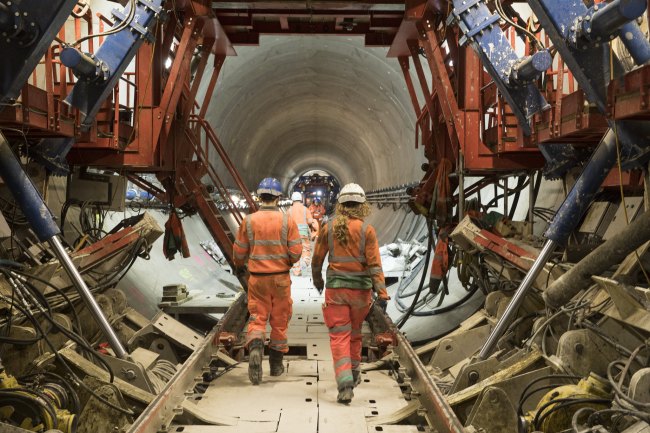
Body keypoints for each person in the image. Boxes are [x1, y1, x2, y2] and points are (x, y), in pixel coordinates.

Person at [311, 183, 390, 404]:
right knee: (355, 333)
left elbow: (317, 260)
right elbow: (375, 265)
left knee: (339, 336)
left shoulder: (329, 227)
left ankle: (344, 382)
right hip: (360, 294)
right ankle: (354, 373)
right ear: (361, 206)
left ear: (341, 205)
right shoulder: (367, 231)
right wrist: (382, 292)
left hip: (336, 291)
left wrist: (318, 281)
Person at [233, 177, 303, 385]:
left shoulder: (248, 221)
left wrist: (240, 264)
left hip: (257, 279)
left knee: (257, 317)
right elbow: (296, 251)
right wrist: (287, 262)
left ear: (259, 197)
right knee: (280, 321)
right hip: (280, 279)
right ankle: (276, 365)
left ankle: (255, 348)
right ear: (278, 198)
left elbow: (239, 251)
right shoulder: (286, 221)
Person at [289, 191, 318, 276]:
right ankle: (304, 263)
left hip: (293, 233)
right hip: (303, 231)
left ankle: (297, 271)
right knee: (305, 249)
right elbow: (309, 221)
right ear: (300, 199)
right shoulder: (305, 209)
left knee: (294, 250)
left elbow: (286, 223)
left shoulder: (289, 210)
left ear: (292, 200)